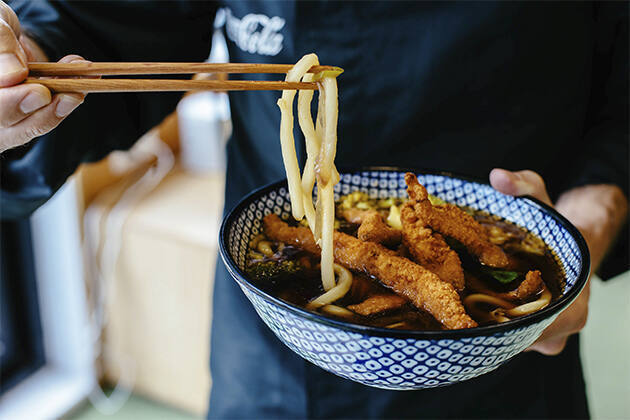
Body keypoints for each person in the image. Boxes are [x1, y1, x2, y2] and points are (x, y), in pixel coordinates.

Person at [1, 1, 627, 418]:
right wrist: (22, 68)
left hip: (510, 355)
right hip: (277, 348)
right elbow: (99, 26)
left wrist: (580, 227)